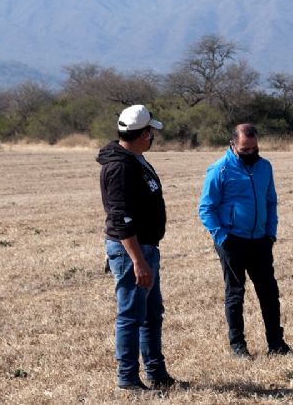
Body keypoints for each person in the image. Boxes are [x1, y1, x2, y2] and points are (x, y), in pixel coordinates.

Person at [96, 104, 177, 391]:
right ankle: (128, 379)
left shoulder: (136, 160)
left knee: (151, 314)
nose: (153, 136)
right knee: (131, 316)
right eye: (151, 131)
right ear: (143, 134)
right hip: (133, 251)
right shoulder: (120, 167)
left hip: (146, 248)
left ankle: (156, 373)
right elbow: (121, 219)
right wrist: (138, 261)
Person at [198, 124, 291, 359]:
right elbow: (206, 208)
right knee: (235, 293)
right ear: (233, 145)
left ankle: (276, 344)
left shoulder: (265, 167)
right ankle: (238, 345)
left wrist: (270, 233)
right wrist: (222, 237)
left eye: (254, 148)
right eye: (244, 149)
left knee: (269, 292)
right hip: (232, 241)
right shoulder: (219, 170)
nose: (250, 153)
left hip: (260, 240)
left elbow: (271, 202)